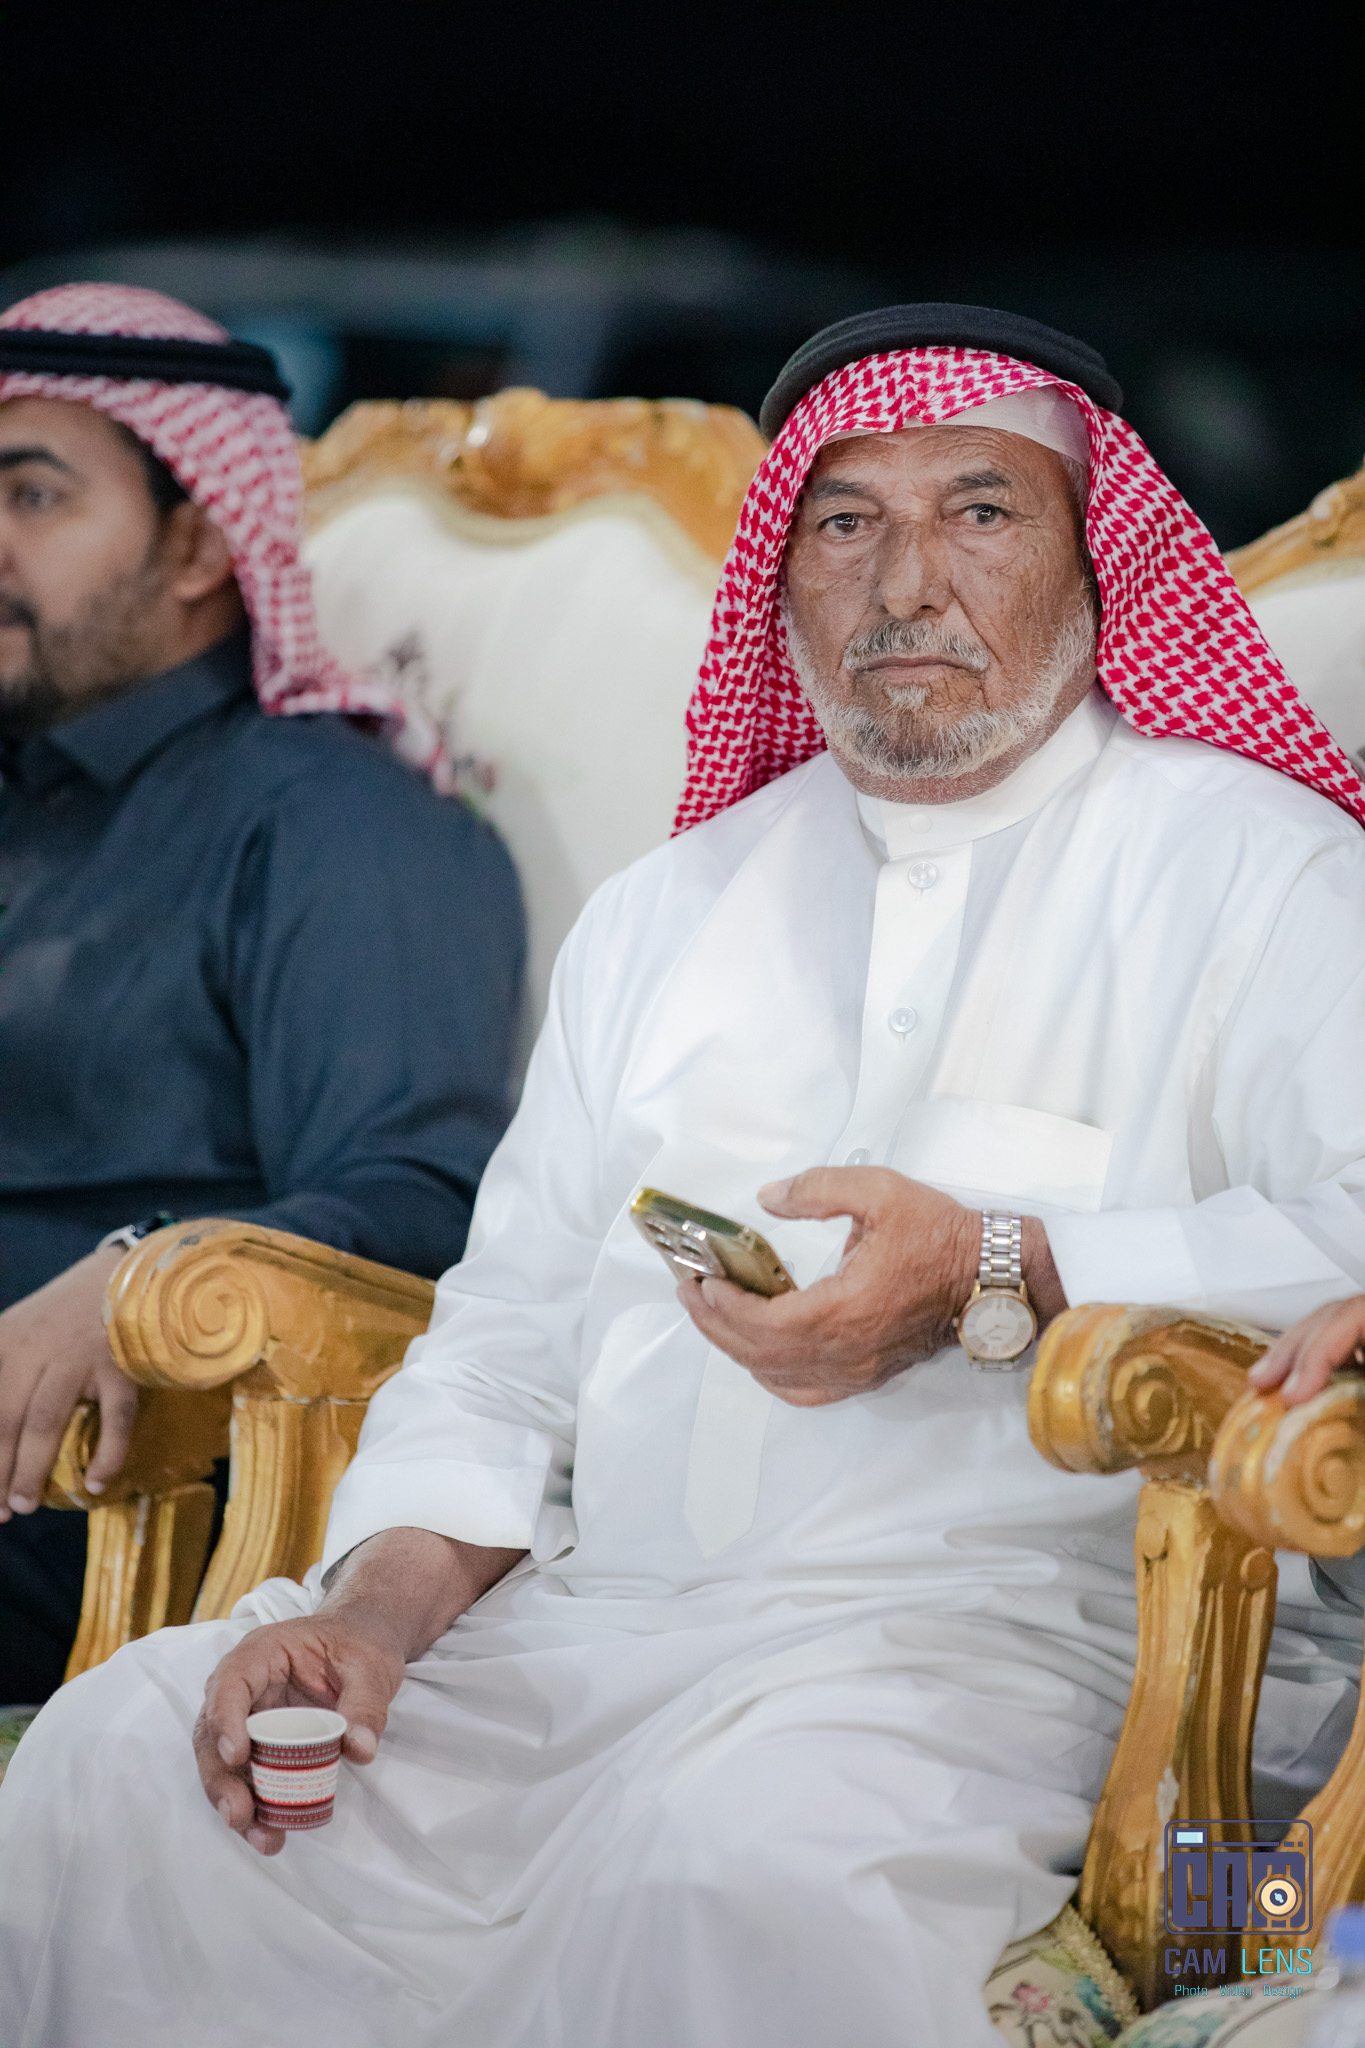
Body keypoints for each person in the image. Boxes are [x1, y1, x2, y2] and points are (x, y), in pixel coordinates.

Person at [3, 301, 1365, 2048]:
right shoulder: (669, 910)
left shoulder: (1258, 873)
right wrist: (372, 1618)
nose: (904, 585)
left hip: (1032, 1660)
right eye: (845, 523)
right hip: (606, 1637)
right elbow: (504, 1337)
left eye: (980, 510)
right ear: (781, 579)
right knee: (124, 1767)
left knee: (731, 1868)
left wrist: (1002, 1266)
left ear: (1096, 555)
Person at [0, 285, 523, 1704]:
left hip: (107, 1496)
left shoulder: (336, 824)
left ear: (196, 543)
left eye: (34, 495)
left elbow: (423, 1201)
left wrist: (139, 1268)